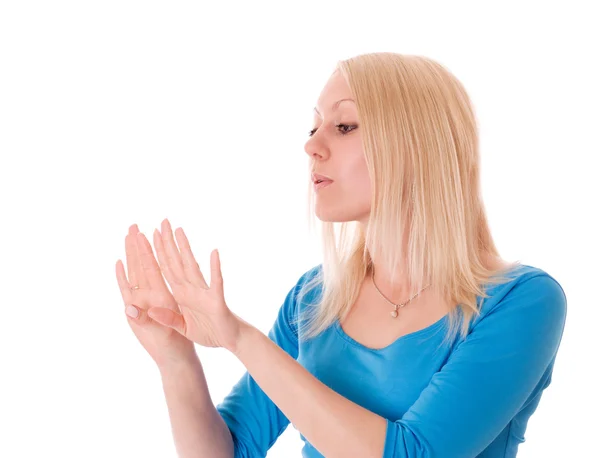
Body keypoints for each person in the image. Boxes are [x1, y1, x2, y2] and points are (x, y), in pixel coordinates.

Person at [115, 52, 567, 458]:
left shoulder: (522, 302)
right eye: (313, 127)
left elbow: (416, 455)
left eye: (344, 126)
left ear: (415, 146)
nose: (311, 145)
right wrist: (175, 358)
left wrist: (240, 338)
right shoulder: (312, 301)